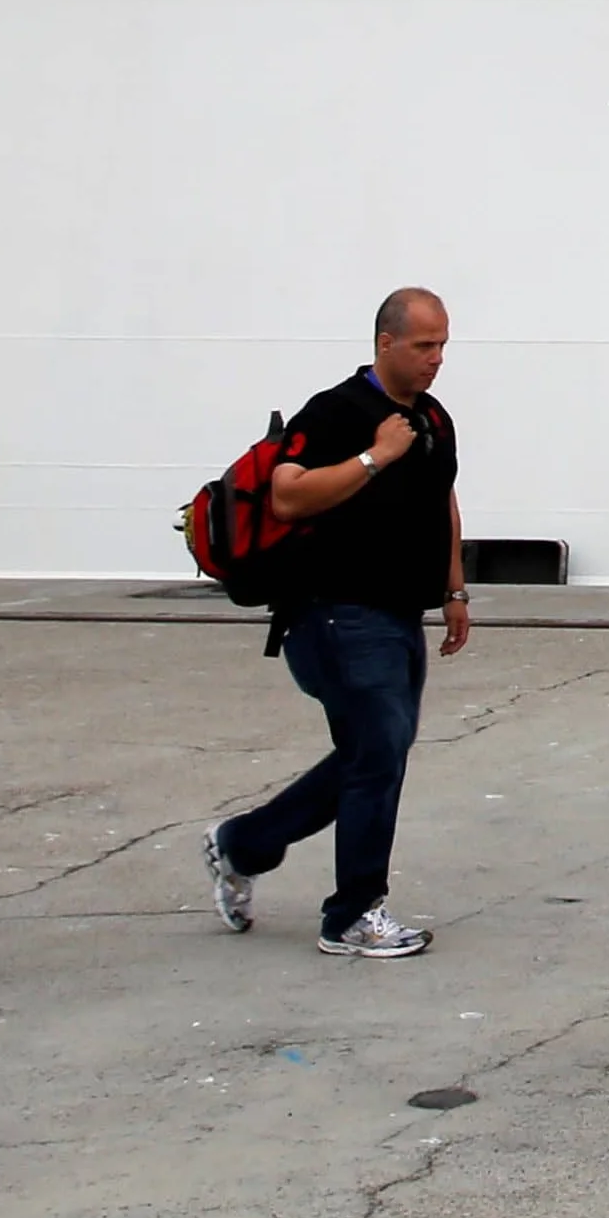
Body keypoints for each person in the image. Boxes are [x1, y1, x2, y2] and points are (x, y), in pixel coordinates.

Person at [204, 288, 470, 961]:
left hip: (400, 614)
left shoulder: (433, 417)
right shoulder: (336, 411)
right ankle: (352, 914)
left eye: (442, 345)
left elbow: (442, 498)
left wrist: (455, 589)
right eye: (424, 345)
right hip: (334, 613)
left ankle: (243, 844)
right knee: (377, 752)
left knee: (373, 755)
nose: (436, 358)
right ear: (385, 343)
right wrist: (375, 456)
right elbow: (287, 496)